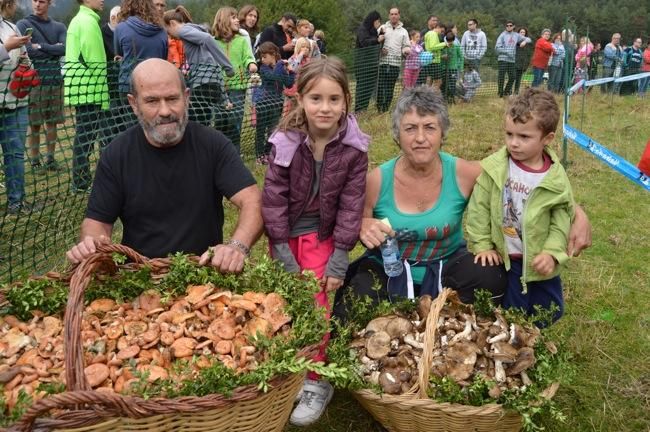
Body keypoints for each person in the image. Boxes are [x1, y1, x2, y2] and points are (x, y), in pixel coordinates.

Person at [332, 86, 592, 320]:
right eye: (410, 128)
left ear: (442, 132)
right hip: (390, 269)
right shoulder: (376, 181)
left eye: (430, 127)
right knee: (357, 300)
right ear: (397, 134)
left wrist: (578, 215)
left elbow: (528, 188)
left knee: (491, 274)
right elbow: (352, 221)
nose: (420, 138)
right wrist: (363, 224)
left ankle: (461, 328)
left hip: (448, 267)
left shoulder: (463, 173)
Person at [66, 58, 263, 273]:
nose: (165, 111)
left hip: (203, 273)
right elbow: (97, 222)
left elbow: (253, 200)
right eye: (152, 101)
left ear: (186, 98)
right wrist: (91, 244)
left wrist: (237, 247)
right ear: (134, 104)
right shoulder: (116, 154)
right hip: (138, 276)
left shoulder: (213, 144)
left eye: (172, 98)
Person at [262, 57, 369, 426]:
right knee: (283, 303)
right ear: (300, 99)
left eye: (334, 99)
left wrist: (340, 255)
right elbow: (273, 198)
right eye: (316, 98)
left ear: (346, 101)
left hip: (322, 236)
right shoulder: (286, 141)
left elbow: (352, 205)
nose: (325, 108)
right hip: (285, 236)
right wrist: (279, 248)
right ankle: (288, 372)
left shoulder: (354, 149)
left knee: (317, 306)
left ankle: (315, 380)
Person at [466, 88, 574, 324]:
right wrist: (483, 244)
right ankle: (513, 349)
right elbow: (478, 208)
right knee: (513, 312)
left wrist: (553, 253)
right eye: (509, 134)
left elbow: (562, 219)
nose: (513, 143)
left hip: (539, 259)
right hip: (509, 257)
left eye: (524, 137)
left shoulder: (554, 178)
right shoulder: (496, 168)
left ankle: (534, 342)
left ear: (547, 139)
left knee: (551, 310)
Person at [65, 0, 110, 193]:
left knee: (84, 138)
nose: (102, 0)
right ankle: (81, 183)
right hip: (90, 91)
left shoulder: (81, 19)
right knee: (85, 140)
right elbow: (96, 61)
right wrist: (104, 95)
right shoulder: (87, 22)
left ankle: (80, 182)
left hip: (83, 89)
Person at [17, 0, 66, 172]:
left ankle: (50, 159)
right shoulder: (23, 24)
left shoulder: (59, 26)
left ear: (50, 3)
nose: (38, 4)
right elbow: (28, 51)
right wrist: (52, 49)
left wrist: (42, 46)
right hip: (35, 82)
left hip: (55, 80)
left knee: (52, 122)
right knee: (35, 123)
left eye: (42, 1)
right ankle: (35, 161)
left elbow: (64, 49)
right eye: (35, 0)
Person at [163, 6, 234, 126]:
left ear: (172, 23)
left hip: (202, 85)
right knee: (204, 122)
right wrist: (225, 98)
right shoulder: (196, 33)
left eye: (168, 31)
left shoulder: (183, 30)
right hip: (213, 84)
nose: (170, 35)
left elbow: (207, 39)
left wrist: (227, 66)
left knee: (194, 123)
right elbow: (214, 67)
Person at [0, 0, 32, 214]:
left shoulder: (12, 27)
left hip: (16, 102)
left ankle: (16, 203)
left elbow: (28, 61)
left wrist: (24, 63)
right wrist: (6, 48)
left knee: (16, 154)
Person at [213, 6, 258, 153]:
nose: (238, 20)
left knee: (235, 121)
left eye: (237, 17)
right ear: (224, 20)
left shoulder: (242, 40)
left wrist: (251, 64)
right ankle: (219, 152)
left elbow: (248, 56)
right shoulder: (213, 42)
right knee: (220, 121)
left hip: (238, 87)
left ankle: (234, 153)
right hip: (219, 88)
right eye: (233, 17)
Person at [114, 0, 168, 97]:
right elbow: (164, 57)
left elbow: (119, 55)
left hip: (128, 84)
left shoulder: (121, 28)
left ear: (127, 6)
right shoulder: (162, 31)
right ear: (151, 6)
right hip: (156, 83)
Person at [253, 42, 294, 164]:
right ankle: (259, 155)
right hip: (263, 103)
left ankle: (267, 153)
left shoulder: (280, 67)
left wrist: (290, 72)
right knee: (261, 130)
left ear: (273, 54)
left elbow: (289, 84)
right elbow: (273, 77)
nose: (262, 59)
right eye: (261, 57)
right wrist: (281, 64)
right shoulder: (263, 68)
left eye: (265, 57)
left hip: (277, 103)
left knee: (273, 129)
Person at [376, 7, 410, 113]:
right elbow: (374, 41)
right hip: (382, 62)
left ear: (399, 15)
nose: (394, 16)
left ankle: (385, 109)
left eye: (396, 14)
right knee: (381, 86)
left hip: (395, 63)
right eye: (391, 14)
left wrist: (405, 51)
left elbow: (406, 45)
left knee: (390, 87)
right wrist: (380, 50)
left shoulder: (404, 31)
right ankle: (379, 109)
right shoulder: (382, 28)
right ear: (389, 16)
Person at [354, 10, 382, 113]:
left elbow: (374, 44)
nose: (379, 24)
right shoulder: (363, 29)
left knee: (368, 88)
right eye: (378, 21)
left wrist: (380, 47)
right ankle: (358, 110)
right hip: (362, 63)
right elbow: (364, 42)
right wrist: (377, 40)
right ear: (373, 20)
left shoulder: (373, 31)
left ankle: (363, 109)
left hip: (371, 63)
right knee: (362, 87)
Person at [495, 20, 531, 97]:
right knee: (501, 76)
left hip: (511, 60)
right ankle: (500, 94)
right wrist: (507, 52)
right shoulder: (502, 35)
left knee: (512, 77)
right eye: (507, 26)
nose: (508, 27)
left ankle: (506, 92)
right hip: (502, 59)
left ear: (513, 26)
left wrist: (524, 41)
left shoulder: (516, 35)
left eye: (510, 25)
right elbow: (497, 48)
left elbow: (529, 39)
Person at [100, 6, 120, 103]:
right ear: (113, 18)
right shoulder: (101, 33)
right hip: (109, 80)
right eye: (122, 18)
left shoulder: (123, 33)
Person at [419, 21, 446, 88]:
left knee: (429, 81)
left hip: (429, 60)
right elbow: (432, 46)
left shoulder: (428, 33)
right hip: (434, 61)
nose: (441, 33)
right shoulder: (433, 34)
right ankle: (431, 96)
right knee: (438, 81)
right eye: (442, 31)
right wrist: (445, 44)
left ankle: (427, 96)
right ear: (438, 27)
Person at [441, 30, 462, 104]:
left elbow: (461, 57)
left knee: (452, 83)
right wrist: (442, 57)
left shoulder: (456, 47)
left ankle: (451, 98)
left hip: (453, 68)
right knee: (444, 83)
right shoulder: (443, 47)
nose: (449, 43)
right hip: (444, 68)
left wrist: (461, 67)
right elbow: (440, 56)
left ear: (453, 40)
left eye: (451, 41)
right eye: (448, 41)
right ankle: (444, 98)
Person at [513, 27, 533, 95]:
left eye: (523, 32)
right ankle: (509, 92)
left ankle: (516, 92)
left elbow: (529, 40)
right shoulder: (514, 40)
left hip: (522, 63)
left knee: (518, 79)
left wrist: (524, 41)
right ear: (518, 33)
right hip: (514, 62)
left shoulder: (527, 42)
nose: (522, 33)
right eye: (521, 32)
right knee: (513, 78)